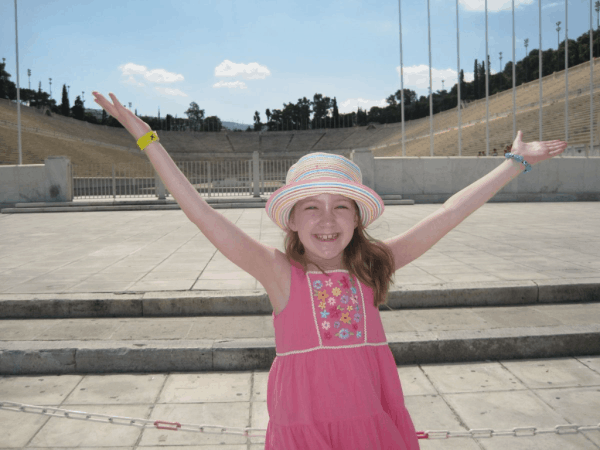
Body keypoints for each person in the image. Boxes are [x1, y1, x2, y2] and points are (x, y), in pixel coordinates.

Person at [92, 91, 567, 450]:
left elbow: (445, 215)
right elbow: (201, 212)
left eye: (341, 206)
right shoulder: (278, 273)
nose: (325, 220)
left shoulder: (373, 267)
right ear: (292, 220)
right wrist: (148, 139)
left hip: (373, 422)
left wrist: (514, 164)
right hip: (304, 427)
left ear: (357, 219)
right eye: (311, 207)